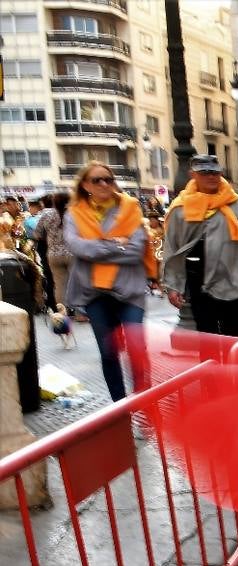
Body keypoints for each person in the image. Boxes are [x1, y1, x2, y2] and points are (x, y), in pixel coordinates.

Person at [63, 162, 157, 400]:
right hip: (94, 292)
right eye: (97, 180)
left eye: (108, 179)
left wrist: (97, 248)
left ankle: (144, 403)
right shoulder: (74, 213)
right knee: (108, 352)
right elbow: (78, 248)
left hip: (130, 290)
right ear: (85, 185)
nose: (104, 184)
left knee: (137, 349)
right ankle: (120, 408)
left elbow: (136, 250)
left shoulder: (130, 208)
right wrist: (116, 243)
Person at [162, 154, 238, 339]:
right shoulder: (180, 207)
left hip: (231, 279)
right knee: (207, 336)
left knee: (232, 335)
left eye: (215, 173)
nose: (211, 177)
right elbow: (172, 247)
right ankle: (211, 368)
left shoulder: (236, 205)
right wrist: (173, 286)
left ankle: (231, 369)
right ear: (193, 174)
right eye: (205, 172)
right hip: (197, 280)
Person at [35, 193, 74, 317]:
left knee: (59, 285)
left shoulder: (46, 214)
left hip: (53, 254)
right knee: (76, 283)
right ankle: (79, 313)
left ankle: (62, 314)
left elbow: (37, 234)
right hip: (73, 253)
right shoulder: (73, 214)